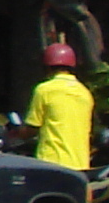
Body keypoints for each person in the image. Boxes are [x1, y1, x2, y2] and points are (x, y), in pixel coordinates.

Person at [26, 41, 94, 172]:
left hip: (51, 163)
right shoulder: (85, 93)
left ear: (47, 67)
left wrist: (16, 134)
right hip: (80, 165)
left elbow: (32, 128)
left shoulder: (44, 90)